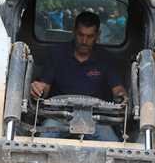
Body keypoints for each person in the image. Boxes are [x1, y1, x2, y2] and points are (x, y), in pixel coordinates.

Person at [31, 10, 127, 142]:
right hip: (60, 116)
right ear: (74, 32)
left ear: (98, 36)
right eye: (81, 35)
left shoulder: (106, 59)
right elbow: (45, 88)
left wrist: (122, 95)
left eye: (90, 36)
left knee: (112, 144)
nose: (84, 41)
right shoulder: (56, 54)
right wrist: (38, 88)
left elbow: (118, 89)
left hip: (96, 119)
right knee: (43, 140)